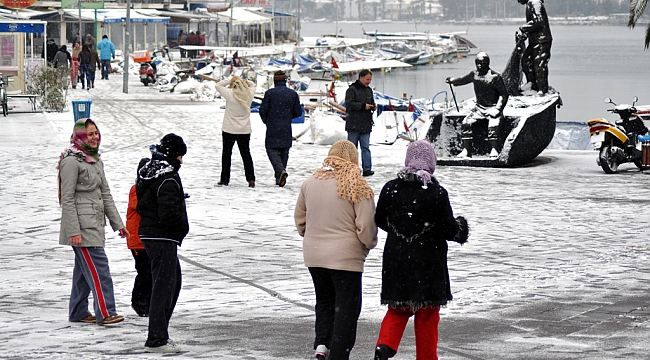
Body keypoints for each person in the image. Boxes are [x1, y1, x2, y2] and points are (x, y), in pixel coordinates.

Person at [373, 140, 468, 360]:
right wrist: (461, 227)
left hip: (396, 258)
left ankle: (384, 346)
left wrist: (401, 234)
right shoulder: (436, 192)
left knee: (397, 310)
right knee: (427, 314)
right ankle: (426, 357)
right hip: (429, 262)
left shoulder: (391, 188)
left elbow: (380, 219)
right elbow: (448, 229)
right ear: (430, 161)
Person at [294, 140, 378, 360]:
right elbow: (366, 225)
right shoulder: (357, 185)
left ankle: (322, 345)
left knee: (324, 301)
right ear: (353, 159)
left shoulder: (310, 182)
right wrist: (368, 244)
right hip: (345, 258)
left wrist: (312, 235)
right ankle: (339, 354)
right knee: (347, 308)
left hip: (314, 254)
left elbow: (300, 220)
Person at [57, 118, 129, 326]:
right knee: (100, 269)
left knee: (83, 272)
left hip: (95, 224)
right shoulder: (71, 161)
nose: (95, 137)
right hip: (81, 228)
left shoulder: (95, 159)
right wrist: (73, 231)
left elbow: (105, 193)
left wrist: (118, 224)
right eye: (90, 134)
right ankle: (106, 312)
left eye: (96, 133)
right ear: (80, 136)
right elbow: (67, 198)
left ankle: (78, 311)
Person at [136, 134, 189, 353]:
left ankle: (159, 332)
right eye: (179, 155)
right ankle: (156, 337)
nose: (181, 161)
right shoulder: (167, 178)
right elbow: (167, 212)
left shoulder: (151, 172)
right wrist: (180, 227)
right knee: (164, 286)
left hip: (152, 235)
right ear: (171, 155)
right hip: (162, 236)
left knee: (171, 283)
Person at [445, 52, 509, 158]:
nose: (480, 66)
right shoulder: (474, 74)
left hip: (492, 108)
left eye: (482, 64)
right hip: (479, 108)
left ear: (487, 63)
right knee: (466, 123)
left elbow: (503, 95)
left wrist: (497, 109)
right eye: (478, 64)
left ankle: (494, 149)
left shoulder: (495, 77)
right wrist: (453, 80)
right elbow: (462, 79)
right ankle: (466, 150)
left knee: (493, 125)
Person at [258, 70, 302, 187]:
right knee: (284, 151)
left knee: (271, 149)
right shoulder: (292, 94)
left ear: (275, 80)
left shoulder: (269, 93)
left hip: (272, 125)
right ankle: (280, 177)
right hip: (286, 126)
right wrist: (287, 116)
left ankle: (281, 171)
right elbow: (298, 112)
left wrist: (267, 120)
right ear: (285, 80)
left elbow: (262, 110)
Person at [215, 75, 257, 187]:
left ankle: (224, 179)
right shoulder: (249, 95)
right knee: (246, 154)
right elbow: (253, 85)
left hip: (229, 129)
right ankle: (251, 179)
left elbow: (218, 85)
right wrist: (246, 81)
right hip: (244, 130)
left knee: (226, 154)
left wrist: (230, 80)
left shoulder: (230, 94)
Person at [125, 168, 151, 318]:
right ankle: (139, 302)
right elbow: (142, 206)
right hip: (137, 240)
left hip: (144, 239)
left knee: (149, 272)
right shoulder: (137, 189)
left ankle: (146, 301)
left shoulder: (145, 189)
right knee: (145, 272)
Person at [345, 69, 376, 177]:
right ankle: (351, 168)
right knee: (352, 149)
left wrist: (373, 106)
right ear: (361, 78)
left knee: (366, 147)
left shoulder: (369, 90)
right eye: (367, 79)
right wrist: (363, 106)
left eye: (370, 79)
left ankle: (367, 169)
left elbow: (371, 102)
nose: (369, 82)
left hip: (366, 123)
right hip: (353, 123)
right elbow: (349, 104)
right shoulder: (351, 90)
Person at [517, 0, 552, 94]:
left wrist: (523, 28)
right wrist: (526, 33)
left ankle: (542, 89)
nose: (518, 1)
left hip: (542, 40)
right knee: (526, 61)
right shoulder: (530, 4)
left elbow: (538, 22)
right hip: (535, 40)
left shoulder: (535, 3)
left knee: (539, 65)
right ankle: (532, 85)